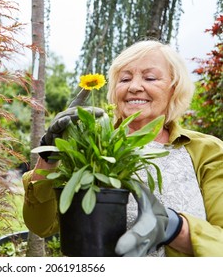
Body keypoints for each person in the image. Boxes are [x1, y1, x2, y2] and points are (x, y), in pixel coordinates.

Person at [22, 40, 223, 257]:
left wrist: (173, 227)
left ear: (175, 88)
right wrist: (50, 153)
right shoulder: (92, 147)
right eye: (125, 79)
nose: (134, 86)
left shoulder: (207, 151)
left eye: (150, 78)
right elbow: (41, 226)